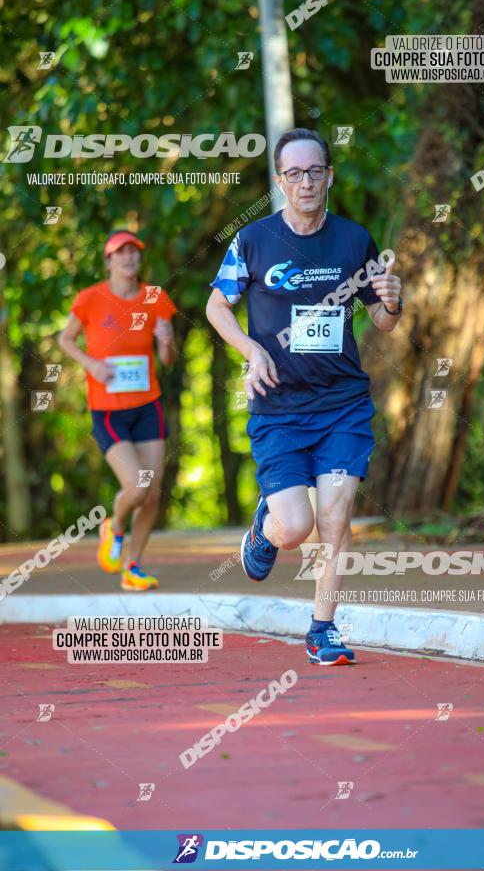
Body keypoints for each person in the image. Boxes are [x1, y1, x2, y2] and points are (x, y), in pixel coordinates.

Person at [206, 128, 402, 665]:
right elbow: (216, 307)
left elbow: (383, 322)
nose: (306, 182)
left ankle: (322, 628)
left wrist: (392, 300)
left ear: (329, 176)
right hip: (278, 409)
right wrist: (251, 350)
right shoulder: (254, 240)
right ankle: (266, 527)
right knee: (296, 527)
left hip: (342, 405)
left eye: (315, 171)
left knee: (335, 518)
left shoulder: (353, 239)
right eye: (294, 174)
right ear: (279, 181)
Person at [59, 229, 177, 591]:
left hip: (147, 407)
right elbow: (65, 339)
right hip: (108, 411)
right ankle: (115, 525)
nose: (129, 258)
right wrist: (91, 365)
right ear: (108, 260)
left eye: (134, 252)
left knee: (153, 492)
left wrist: (167, 341)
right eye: (120, 253)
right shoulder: (91, 299)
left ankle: (133, 567)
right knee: (137, 487)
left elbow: (167, 361)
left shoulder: (156, 298)